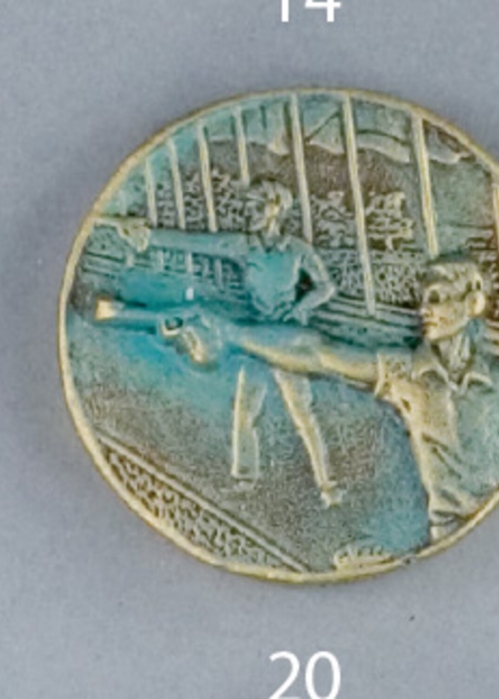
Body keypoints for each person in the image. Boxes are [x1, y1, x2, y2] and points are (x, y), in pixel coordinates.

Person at [184, 256, 499, 555]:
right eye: (422, 299)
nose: (423, 309)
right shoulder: (405, 374)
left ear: (473, 304)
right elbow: (317, 353)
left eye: (437, 298)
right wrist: (231, 333)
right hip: (448, 547)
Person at [111, 180, 341, 506]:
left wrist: (300, 307)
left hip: (287, 340)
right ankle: (245, 478)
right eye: (249, 207)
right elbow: (195, 244)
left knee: (302, 412)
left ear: (275, 210)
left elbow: (326, 287)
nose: (250, 213)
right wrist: (148, 236)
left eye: (257, 207)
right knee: (245, 410)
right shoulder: (243, 246)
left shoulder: (297, 251)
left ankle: (327, 485)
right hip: (252, 337)